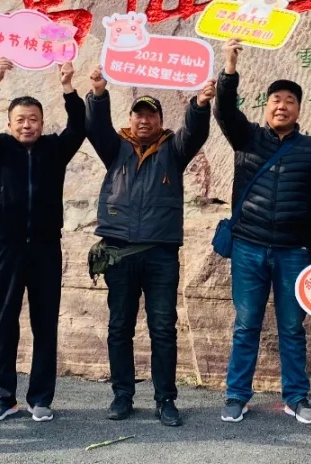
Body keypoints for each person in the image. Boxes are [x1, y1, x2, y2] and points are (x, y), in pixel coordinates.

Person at [85, 66, 214, 427]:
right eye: (139, 114)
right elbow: (95, 128)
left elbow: (196, 132)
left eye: (151, 114)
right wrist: (98, 94)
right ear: (131, 119)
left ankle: (166, 399)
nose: (144, 120)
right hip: (119, 252)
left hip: (160, 254)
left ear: (160, 119)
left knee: (163, 328)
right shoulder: (116, 149)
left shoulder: (173, 150)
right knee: (119, 326)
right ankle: (122, 395)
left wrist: (200, 104)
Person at [212, 39, 311, 426]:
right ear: (266, 107)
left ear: (299, 109)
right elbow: (225, 109)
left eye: (289, 101)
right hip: (248, 247)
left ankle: (296, 398)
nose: (281, 105)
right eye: (275, 100)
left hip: (293, 252)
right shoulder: (246, 137)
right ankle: (236, 396)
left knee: (293, 328)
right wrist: (229, 66)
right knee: (246, 324)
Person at [0, 58, 85, 424]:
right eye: (20, 119)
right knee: (4, 322)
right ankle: (4, 397)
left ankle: (40, 398)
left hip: (47, 248)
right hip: (7, 247)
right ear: (9, 124)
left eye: (33, 118)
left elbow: (79, 127)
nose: (27, 124)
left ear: (41, 122)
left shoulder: (55, 149)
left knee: (44, 322)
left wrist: (68, 87)